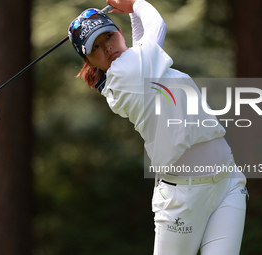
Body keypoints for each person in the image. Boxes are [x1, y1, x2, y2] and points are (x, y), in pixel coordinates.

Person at [68, 0, 248, 254]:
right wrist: (137, 3)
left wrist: (132, 15)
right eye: (95, 48)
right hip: (182, 198)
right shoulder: (124, 77)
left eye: (108, 36)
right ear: (90, 61)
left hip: (227, 182)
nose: (107, 47)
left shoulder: (137, 66)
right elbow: (158, 26)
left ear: (119, 34)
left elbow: (141, 44)